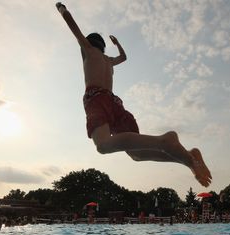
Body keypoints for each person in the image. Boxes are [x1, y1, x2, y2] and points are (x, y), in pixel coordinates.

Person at [55, 3, 212, 187]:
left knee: (103, 145)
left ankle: (165, 141)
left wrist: (62, 9)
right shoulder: (109, 61)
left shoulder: (89, 51)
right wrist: (118, 44)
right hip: (114, 102)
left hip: (96, 98)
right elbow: (124, 57)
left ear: (88, 44)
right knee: (136, 154)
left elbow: (73, 26)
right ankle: (189, 157)